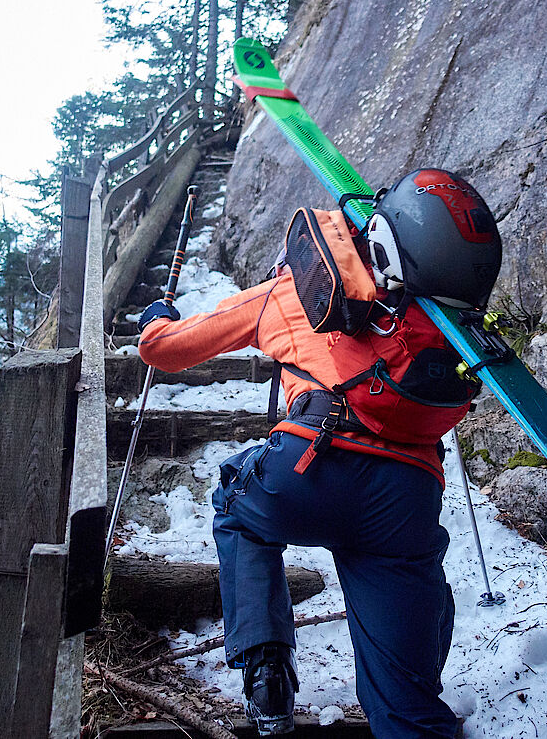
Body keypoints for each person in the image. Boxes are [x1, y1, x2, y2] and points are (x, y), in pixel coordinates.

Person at [136, 168, 501, 738]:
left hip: (309, 466)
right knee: (406, 707)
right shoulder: (440, 318)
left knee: (238, 508)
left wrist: (156, 321)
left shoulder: (290, 291)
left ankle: (266, 669)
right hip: (406, 499)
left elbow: (164, 352)